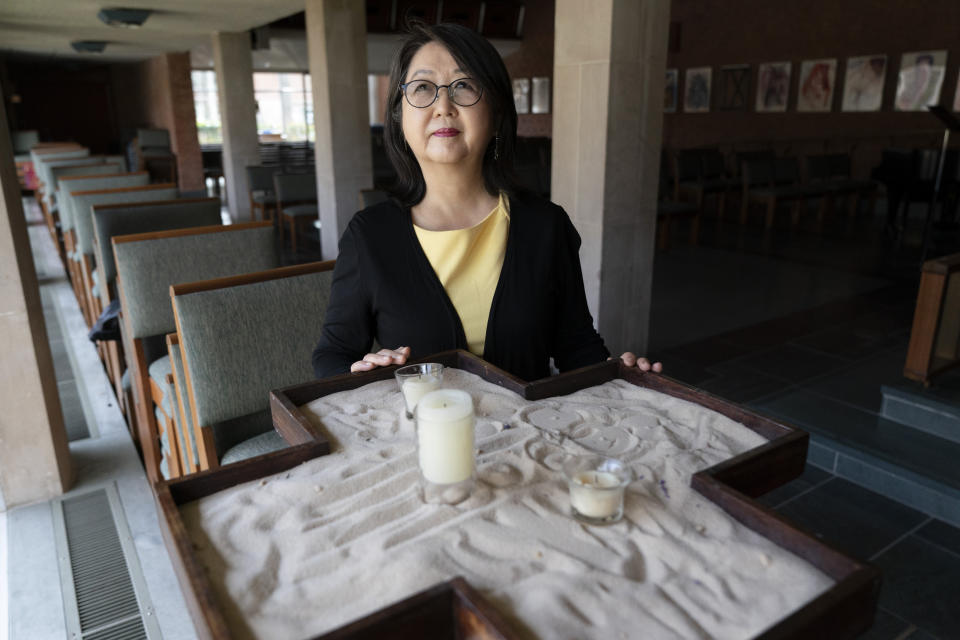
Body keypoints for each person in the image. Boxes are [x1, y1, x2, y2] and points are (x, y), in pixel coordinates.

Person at [311, 22, 661, 381]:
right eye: (422, 88)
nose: (443, 105)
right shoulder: (370, 236)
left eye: (463, 85)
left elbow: (577, 347)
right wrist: (363, 369)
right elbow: (332, 356)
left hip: (529, 433)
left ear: (496, 114)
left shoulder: (545, 226)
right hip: (421, 433)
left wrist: (621, 378)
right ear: (400, 116)